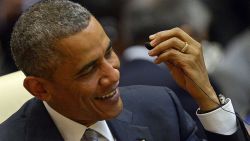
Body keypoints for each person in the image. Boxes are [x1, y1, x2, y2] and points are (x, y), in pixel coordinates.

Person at [0, 0, 249, 141]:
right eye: (88, 70)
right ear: (39, 88)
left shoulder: (161, 108)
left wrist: (207, 97)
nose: (113, 75)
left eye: (108, 52)